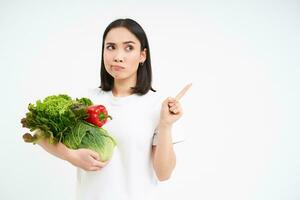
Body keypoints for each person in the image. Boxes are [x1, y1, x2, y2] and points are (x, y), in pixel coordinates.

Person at [37, 18, 190, 200]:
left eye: (129, 48)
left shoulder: (158, 106)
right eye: (110, 47)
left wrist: (165, 125)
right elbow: (39, 133)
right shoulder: (87, 100)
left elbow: (164, 174)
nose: (118, 56)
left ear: (143, 55)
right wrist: (70, 155)